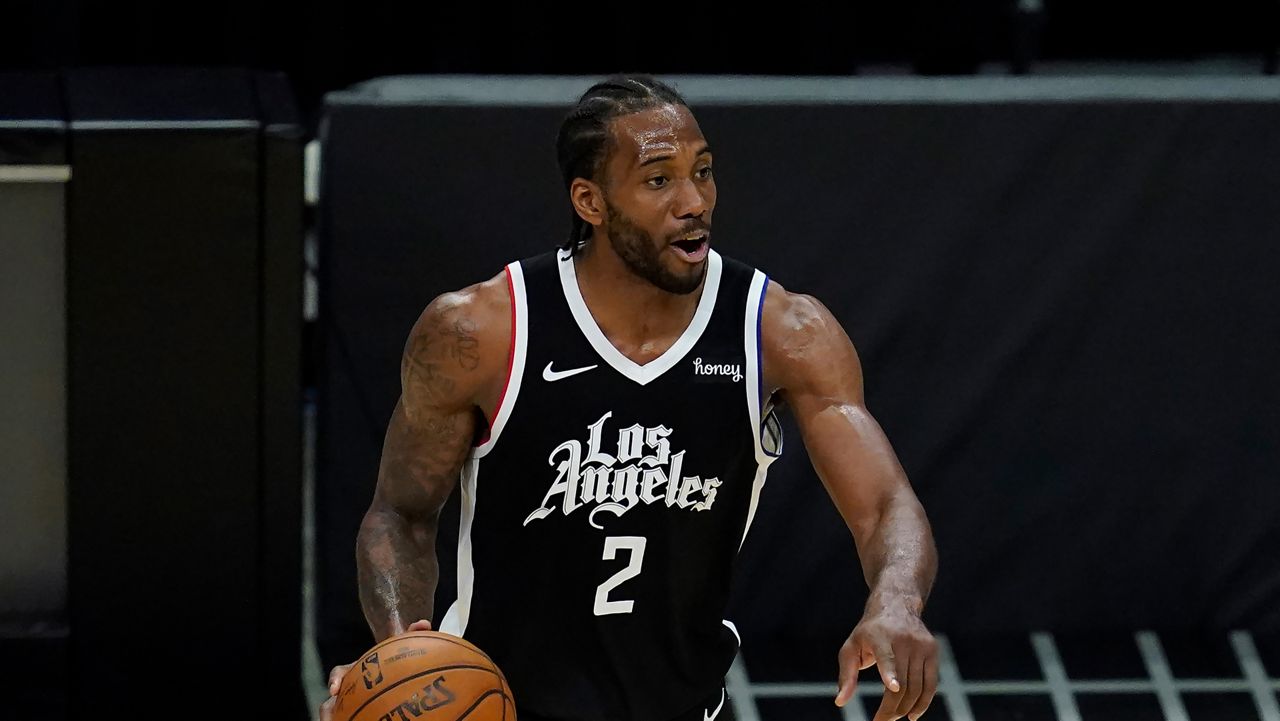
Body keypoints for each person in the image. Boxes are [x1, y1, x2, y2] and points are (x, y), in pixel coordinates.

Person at [320, 73, 939, 721]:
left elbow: (885, 504)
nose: (693, 200)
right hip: (501, 705)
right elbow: (402, 513)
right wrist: (399, 652)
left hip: (683, 706)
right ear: (590, 200)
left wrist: (896, 598)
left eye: (703, 171)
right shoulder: (479, 331)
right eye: (658, 179)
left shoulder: (782, 331)